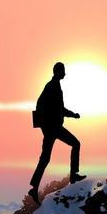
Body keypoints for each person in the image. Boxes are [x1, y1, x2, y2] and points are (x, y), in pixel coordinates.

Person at [28, 62, 86, 204]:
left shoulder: (52, 85)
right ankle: (73, 175)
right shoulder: (52, 86)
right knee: (75, 144)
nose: (65, 73)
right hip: (53, 128)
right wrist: (73, 115)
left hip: (51, 128)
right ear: (58, 72)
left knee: (45, 158)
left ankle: (34, 188)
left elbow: (55, 108)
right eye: (63, 71)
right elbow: (56, 108)